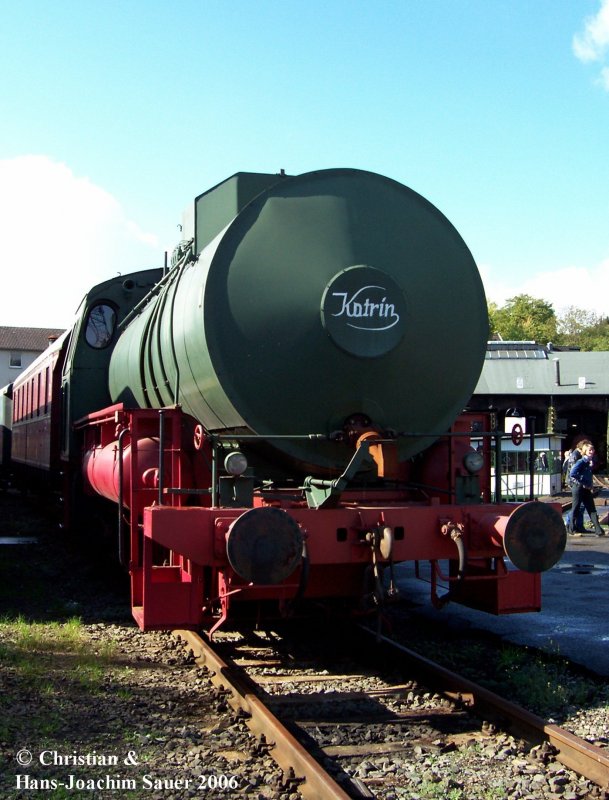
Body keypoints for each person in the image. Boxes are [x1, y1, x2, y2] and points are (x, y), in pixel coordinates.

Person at [568, 441, 605, 537]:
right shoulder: (581, 462)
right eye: (589, 450)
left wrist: (589, 484)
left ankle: (598, 530)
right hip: (578, 487)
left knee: (591, 508)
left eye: (592, 449)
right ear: (584, 451)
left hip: (586, 488)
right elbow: (572, 473)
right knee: (575, 508)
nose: (592, 451)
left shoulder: (588, 462)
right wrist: (584, 481)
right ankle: (571, 529)